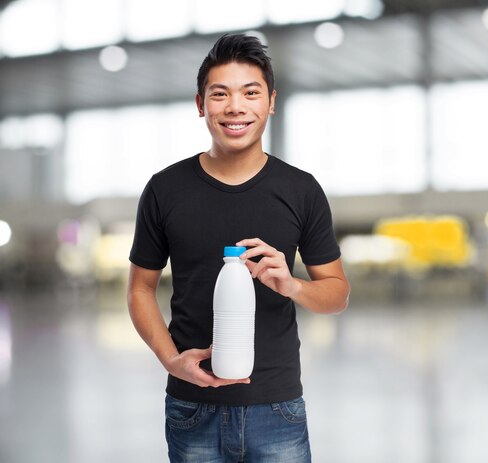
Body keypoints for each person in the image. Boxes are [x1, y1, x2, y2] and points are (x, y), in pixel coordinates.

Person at [127, 33, 350, 463]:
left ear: (270, 102)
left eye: (250, 93)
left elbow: (337, 294)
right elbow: (139, 289)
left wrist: (293, 286)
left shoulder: (300, 190)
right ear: (200, 104)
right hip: (191, 406)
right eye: (219, 94)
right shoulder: (165, 189)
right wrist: (170, 360)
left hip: (277, 407)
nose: (235, 107)